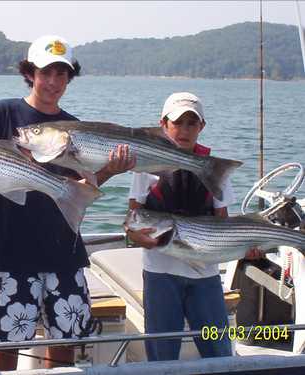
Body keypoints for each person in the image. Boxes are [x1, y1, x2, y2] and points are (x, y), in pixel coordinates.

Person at [0, 35, 135, 371]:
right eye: (45, 72)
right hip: (11, 251)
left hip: (63, 250)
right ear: (30, 72)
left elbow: (83, 187)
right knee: (6, 344)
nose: (53, 82)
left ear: (69, 78)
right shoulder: (4, 113)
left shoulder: (75, 129)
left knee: (64, 344)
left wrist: (108, 169)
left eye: (61, 74)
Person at [126, 92, 256, 361]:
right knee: (162, 355)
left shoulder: (214, 168)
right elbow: (132, 219)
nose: (184, 130)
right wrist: (139, 238)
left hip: (205, 276)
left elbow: (223, 221)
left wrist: (247, 248)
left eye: (191, 123)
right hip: (160, 274)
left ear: (201, 127)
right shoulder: (145, 166)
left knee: (219, 352)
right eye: (177, 123)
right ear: (163, 124)